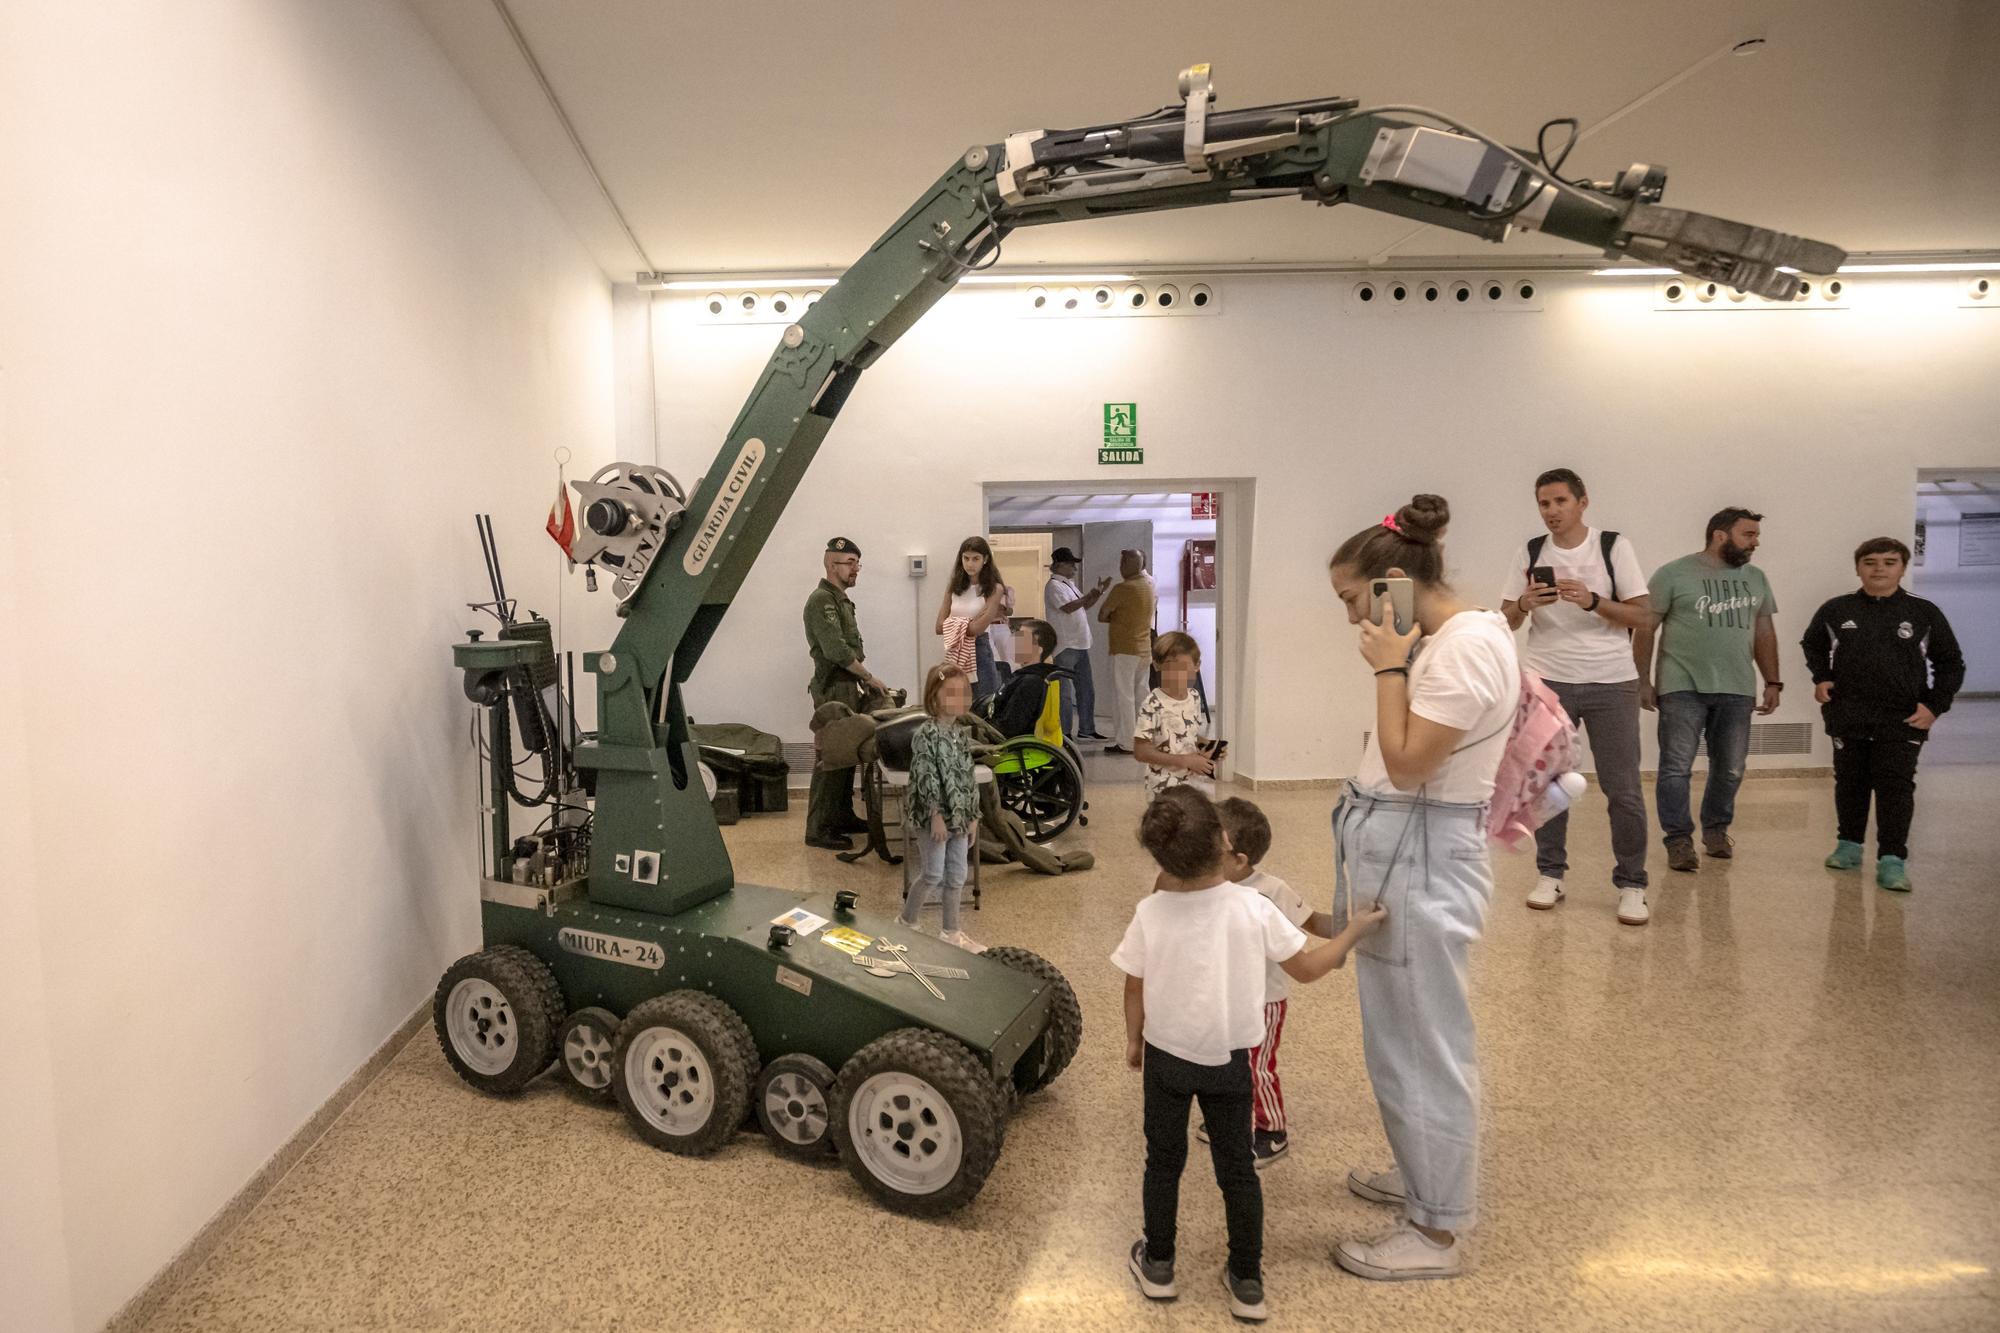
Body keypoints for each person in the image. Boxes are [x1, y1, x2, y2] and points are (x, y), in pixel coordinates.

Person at [1326, 494, 1518, 1282]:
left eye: (1352, 600)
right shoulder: (1451, 640)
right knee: (1397, 1038)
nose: (1350, 620)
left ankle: (1436, 1230)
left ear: (1393, 582)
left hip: (1423, 854)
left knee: (1422, 1044)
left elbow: (1408, 762)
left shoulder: (1463, 649)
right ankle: (1421, 1179)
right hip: (1404, 846)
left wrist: (1387, 664)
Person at [1114, 787, 1384, 1322]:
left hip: (1166, 1058)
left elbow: (1133, 985)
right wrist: (1353, 930)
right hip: (1230, 1058)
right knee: (1237, 1169)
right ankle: (1246, 1279)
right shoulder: (1253, 907)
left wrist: (1132, 1039)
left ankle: (1160, 1264)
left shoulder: (1151, 910)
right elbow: (1307, 968)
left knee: (1163, 1164)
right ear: (1225, 845)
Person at [1500, 467, 1654, 926]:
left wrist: (1591, 601)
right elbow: (1505, 618)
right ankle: (1550, 874)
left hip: (1611, 681)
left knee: (1622, 787)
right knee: (1549, 785)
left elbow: (1642, 618)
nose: (1551, 512)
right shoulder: (1530, 551)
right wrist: (1526, 604)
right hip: (1548, 680)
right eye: (1544, 504)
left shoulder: (1613, 546)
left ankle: (1632, 883)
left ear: (1582, 502)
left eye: (1560, 502)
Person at [1800, 537, 1965, 892]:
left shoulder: (1924, 613)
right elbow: (1812, 643)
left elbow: (1950, 663)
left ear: (1903, 568)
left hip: (1903, 718)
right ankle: (1849, 846)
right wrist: (1822, 677)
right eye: (1871, 562)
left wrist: (1934, 706)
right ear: (1858, 567)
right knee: (1851, 783)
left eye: (1889, 562)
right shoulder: (1836, 609)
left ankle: (1892, 858)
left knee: (1896, 787)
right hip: (1848, 715)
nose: (1879, 569)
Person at [1635, 508, 1782, 873]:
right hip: (1681, 685)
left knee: (1730, 768)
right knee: (1675, 767)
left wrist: (1773, 681)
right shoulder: (1673, 574)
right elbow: (1645, 628)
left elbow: (1764, 633)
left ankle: (1716, 830)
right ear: (1720, 535)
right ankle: (1678, 839)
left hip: (1737, 687)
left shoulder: (1756, 578)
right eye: (1748, 534)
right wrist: (1642, 680)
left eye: (1756, 535)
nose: (1755, 542)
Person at [1200, 798, 1341, 1168]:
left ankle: (1271, 1131)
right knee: (1224, 1062)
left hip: (1263, 1000)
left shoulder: (1272, 891)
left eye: (1210, 848)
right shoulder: (1208, 883)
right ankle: (1231, 1117)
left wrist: (1349, 931)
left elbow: (1313, 923)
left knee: (1255, 1067)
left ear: (1240, 860)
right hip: (1223, 998)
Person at [803, 537, 889, 851]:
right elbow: (836, 650)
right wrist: (867, 676)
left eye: (857, 563)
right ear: (831, 563)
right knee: (831, 758)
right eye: (850, 563)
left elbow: (852, 647)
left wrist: (863, 681)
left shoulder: (839, 600)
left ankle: (841, 815)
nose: (856, 570)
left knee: (846, 755)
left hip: (847, 686)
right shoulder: (821, 600)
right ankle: (818, 828)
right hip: (833, 690)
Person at [899, 663, 982, 951]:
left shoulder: (961, 733)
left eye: (964, 693)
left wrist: (973, 816)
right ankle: (907, 922)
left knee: (958, 875)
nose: (959, 699)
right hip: (933, 817)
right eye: (951, 693)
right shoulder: (926, 734)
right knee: (933, 874)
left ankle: (951, 932)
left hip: (959, 816)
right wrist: (935, 816)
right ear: (934, 697)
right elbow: (925, 776)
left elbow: (968, 778)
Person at [1133, 631, 1214, 799]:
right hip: (1163, 787)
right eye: (1171, 668)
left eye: (1183, 668)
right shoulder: (1152, 704)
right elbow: (1141, 751)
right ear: (1157, 665)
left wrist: (1207, 747)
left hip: (1192, 783)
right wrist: (1185, 760)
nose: (1177, 675)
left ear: (1197, 665)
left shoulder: (1194, 697)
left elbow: (1187, 734)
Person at [1045, 547, 1112, 739]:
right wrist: (1087, 596)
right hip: (1065, 645)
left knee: (1086, 689)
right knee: (1065, 692)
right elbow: (1068, 608)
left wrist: (1097, 593)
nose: (1074, 567)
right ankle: (1065, 731)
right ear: (1059, 565)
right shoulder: (1054, 586)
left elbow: (1083, 606)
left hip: (1081, 643)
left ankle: (1087, 729)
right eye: (1071, 564)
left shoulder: (1069, 585)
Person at [1098, 548, 1156, 754]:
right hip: (1144, 649)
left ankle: (1126, 742)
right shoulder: (1149, 586)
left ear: (1132, 565)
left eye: (1123, 563)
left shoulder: (1123, 588)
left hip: (1124, 649)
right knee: (1141, 693)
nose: (1121, 566)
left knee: (1123, 696)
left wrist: (1117, 618)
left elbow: (1102, 615)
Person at [935, 537, 1006, 703]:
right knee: (956, 705)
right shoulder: (954, 586)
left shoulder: (994, 588)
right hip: (954, 649)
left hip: (979, 648)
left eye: (975, 559)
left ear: (985, 560)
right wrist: (970, 621)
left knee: (983, 703)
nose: (970, 564)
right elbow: (938, 627)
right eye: (966, 558)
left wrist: (955, 624)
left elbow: (977, 629)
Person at [986, 619, 1062, 739]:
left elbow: (1009, 727)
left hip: (1002, 741)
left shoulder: (1030, 682)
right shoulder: (1024, 676)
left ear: (1038, 649)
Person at [986, 582, 1017, 690]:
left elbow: (1010, 611)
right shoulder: (980, 589)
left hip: (1001, 626)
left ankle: (1010, 685)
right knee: (991, 656)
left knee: (1008, 657)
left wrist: (1001, 608)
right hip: (985, 627)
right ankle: (995, 686)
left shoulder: (1006, 590)